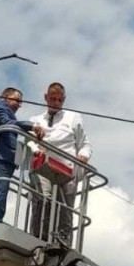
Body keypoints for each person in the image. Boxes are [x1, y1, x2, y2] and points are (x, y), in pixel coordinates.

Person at [28, 82, 91, 244]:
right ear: (45, 98)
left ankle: (63, 242)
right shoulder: (35, 120)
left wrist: (83, 155)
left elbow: (84, 144)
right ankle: (39, 237)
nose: (56, 103)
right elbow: (29, 141)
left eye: (59, 100)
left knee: (66, 207)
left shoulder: (73, 118)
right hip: (43, 166)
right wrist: (36, 150)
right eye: (52, 99)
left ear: (64, 100)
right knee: (43, 199)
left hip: (67, 169)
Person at [0, 87, 44, 226]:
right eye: (17, 100)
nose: (19, 105)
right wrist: (32, 126)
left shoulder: (1, 110)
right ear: (5, 96)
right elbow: (8, 124)